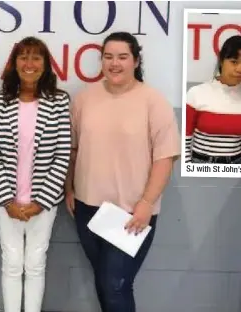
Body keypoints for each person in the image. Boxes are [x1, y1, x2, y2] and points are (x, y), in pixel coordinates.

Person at [65, 32, 180, 312]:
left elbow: (165, 157)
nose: (114, 63)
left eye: (122, 57)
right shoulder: (84, 99)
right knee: (105, 283)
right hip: (89, 209)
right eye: (108, 57)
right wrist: (70, 189)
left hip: (132, 213)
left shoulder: (153, 102)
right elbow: (73, 149)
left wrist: (146, 203)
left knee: (116, 283)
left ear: (136, 60)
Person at [0, 36, 71, 312]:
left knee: (35, 263)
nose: (29, 63)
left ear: (45, 64)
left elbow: (62, 153)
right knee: (11, 262)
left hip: (43, 202)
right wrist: (8, 201)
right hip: (5, 200)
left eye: (36, 57)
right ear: (15, 63)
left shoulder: (59, 101)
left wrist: (41, 201)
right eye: (24, 57)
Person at [185, 35, 241, 164]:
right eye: (234, 61)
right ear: (221, 61)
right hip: (201, 164)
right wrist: (190, 169)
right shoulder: (197, 93)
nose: (239, 69)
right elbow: (185, 139)